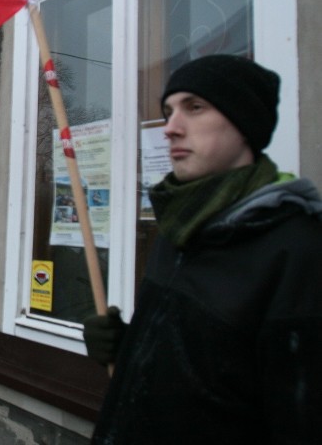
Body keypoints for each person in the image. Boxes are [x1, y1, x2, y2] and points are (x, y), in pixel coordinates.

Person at [84, 55, 322, 442]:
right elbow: (205, 373)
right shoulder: (178, 230)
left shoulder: (296, 252)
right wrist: (125, 346)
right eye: (167, 111)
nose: (171, 128)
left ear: (245, 123)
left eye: (194, 108)